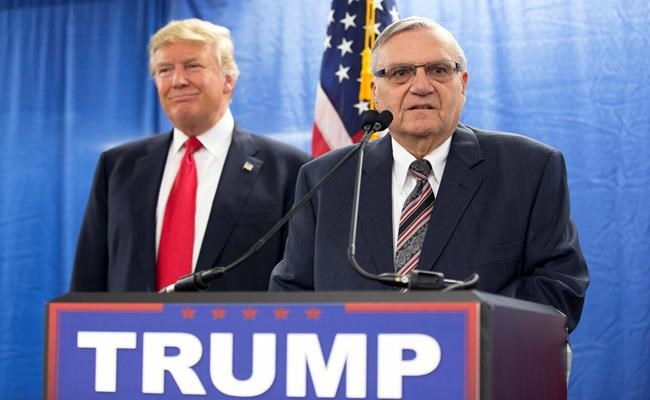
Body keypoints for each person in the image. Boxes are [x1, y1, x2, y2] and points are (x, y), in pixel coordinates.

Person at [270, 17, 589, 332]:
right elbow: (291, 296)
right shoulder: (325, 180)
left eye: (438, 70)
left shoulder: (528, 170)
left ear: (462, 84)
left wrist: (449, 333)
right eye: (400, 73)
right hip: (355, 362)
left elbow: (559, 286)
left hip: (481, 360)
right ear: (375, 92)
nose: (421, 87)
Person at [71, 19, 309, 292]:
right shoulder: (117, 167)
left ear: (228, 79)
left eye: (193, 66)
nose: (178, 81)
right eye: (164, 70)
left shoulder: (289, 169)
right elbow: (88, 280)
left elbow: (299, 281)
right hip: (134, 321)